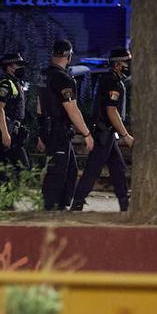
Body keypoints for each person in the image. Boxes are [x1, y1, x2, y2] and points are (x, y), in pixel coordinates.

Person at [71, 47, 134, 212]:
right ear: (118, 64)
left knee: (118, 169)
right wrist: (125, 134)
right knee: (93, 169)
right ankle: (77, 202)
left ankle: (125, 205)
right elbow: (111, 110)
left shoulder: (109, 79)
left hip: (106, 133)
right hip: (104, 133)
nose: (129, 64)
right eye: (127, 61)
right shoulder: (112, 81)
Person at [37, 39, 93, 211]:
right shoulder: (63, 78)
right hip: (57, 129)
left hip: (48, 128)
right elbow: (72, 109)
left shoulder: (44, 74)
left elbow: (39, 104)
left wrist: (40, 132)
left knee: (70, 170)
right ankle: (50, 208)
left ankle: (61, 205)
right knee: (58, 171)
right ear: (69, 56)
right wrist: (86, 133)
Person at [0, 52, 31, 211]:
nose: (21, 68)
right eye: (19, 65)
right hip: (4, 130)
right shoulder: (5, 84)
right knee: (10, 167)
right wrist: (5, 133)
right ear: (10, 66)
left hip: (12, 130)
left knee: (11, 167)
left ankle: (4, 202)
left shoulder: (14, 82)